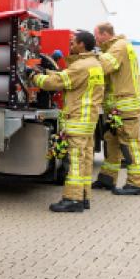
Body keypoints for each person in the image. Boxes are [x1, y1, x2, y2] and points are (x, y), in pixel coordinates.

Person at [33, 30, 105, 212]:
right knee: (85, 160)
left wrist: (33, 77)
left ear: (82, 44)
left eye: (73, 42)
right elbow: (67, 77)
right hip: (88, 121)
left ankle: (72, 200)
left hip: (77, 119)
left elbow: (57, 82)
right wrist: (46, 71)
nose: (70, 44)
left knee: (75, 161)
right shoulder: (95, 64)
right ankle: (83, 196)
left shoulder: (81, 66)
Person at [91, 22, 140, 195]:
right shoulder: (113, 47)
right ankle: (107, 178)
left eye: (96, 36)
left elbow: (105, 67)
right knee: (112, 141)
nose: (95, 40)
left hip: (125, 106)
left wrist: (85, 57)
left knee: (130, 144)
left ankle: (137, 184)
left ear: (105, 34)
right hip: (116, 107)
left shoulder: (119, 46)